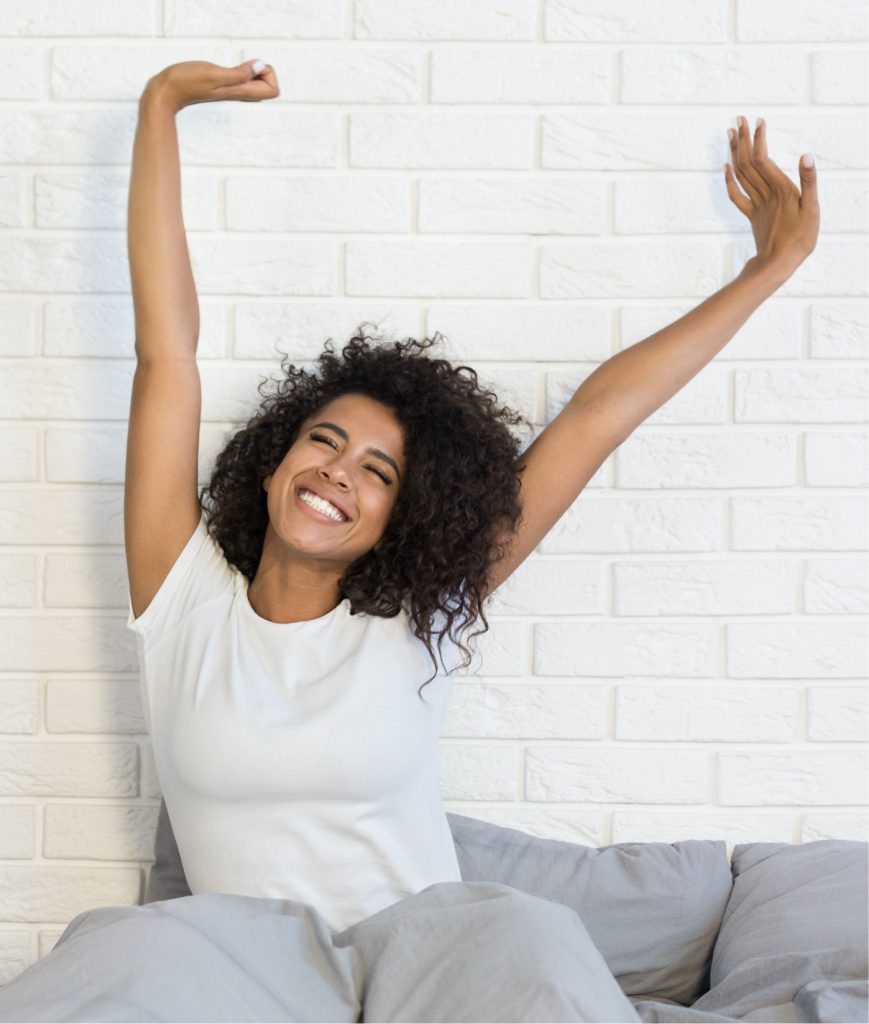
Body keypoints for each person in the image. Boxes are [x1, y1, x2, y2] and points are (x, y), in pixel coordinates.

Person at [0, 59, 818, 1023]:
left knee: (530, 931)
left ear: (401, 518)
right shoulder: (180, 600)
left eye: (378, 473)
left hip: (431, 958)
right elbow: (164, 348)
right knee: (122, 949)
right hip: (244, 971)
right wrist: (160, 109)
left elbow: (594, 417)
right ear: (271, 465)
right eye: (324, 441)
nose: (341, 472)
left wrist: (767, 272)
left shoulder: (411, 623)